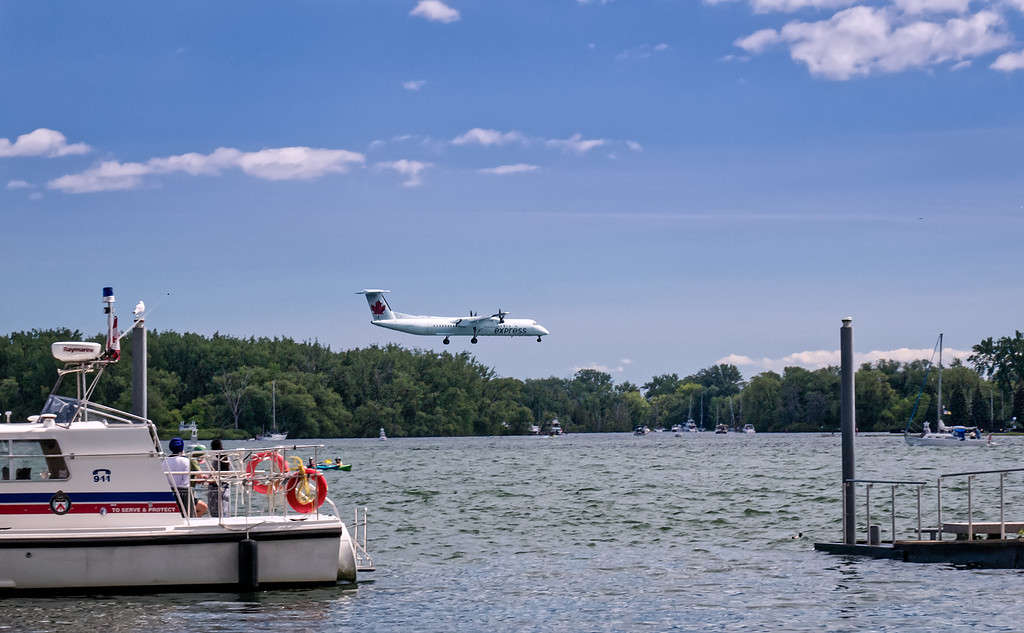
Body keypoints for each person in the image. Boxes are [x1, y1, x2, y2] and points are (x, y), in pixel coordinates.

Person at [163, 437, 194, 516]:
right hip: (184, 494)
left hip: (169, 494)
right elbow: (185, 481)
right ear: (182, 448)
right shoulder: (186, 461)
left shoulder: (164, 461)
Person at [206, 438, 231, 517]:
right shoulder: (225, 457)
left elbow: (214, 474)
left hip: (215, 487)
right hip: (225, 486)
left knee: (215, 512)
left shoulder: (216, 458)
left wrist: (208, 479)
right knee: (224, 509)